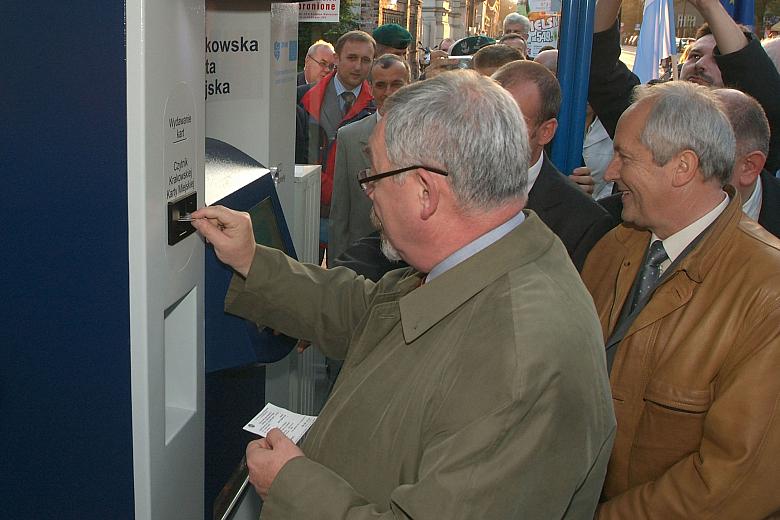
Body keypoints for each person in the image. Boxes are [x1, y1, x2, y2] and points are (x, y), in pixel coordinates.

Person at [193, 70, 615, 519]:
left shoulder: (520, 363)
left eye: (374, 175)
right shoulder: (476, 263)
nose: (369, 192)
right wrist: (251, 259)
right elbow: (365, 313)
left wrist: (290, 485)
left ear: (425, 192)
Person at [582, 80, 780, 519]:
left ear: (683, 167)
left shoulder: (769, 290)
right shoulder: (614, 246)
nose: (610, 172)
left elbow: (730, 483)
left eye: (625, 157)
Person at [589, 0, 780, 173]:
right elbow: (599, 68)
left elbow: (765, 93)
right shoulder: (647, 113)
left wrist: (708, 6)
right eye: (695, 55)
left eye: (717, 59)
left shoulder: (753, 132)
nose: (700, 64)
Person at [493, 60, 615, 271]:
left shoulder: (583, 221)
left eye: (512, 123)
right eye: (486, 118)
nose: (493, 132)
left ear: (546, 131)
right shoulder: (448, 185)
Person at [297, 31, 376, 255]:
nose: (358, 66)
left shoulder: (378, 106)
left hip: (355, 217)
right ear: (337, 58)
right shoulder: (301, 98)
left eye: (366, 60)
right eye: (352, 58)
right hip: (308, 209)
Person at [328, 54, 412, 265]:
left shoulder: (429, 134)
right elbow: (340, 210)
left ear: (409, 86)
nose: (388, 92)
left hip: (414, 256)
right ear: (371, 88)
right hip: (363, 256)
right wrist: (337, 264)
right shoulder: (348, 136)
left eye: (396, 84)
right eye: (381, 85)